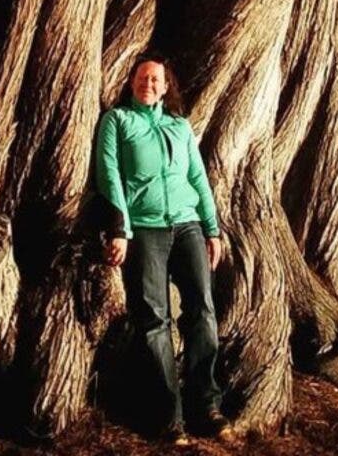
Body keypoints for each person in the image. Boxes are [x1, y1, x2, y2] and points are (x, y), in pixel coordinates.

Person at [94, 53, 233, 446]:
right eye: (142, 78)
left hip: (188, 226)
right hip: (145, 230)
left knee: (203, 312)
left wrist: (212, 228)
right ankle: (168, 416)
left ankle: (206, 405)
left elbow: (198, 177)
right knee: (154, 321)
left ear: (166, 85)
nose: (148, 84)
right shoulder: (117, 122)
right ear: (131, 82)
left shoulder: (180, 126)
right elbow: (109, 176)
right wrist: (120, 227)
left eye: (155, 79)